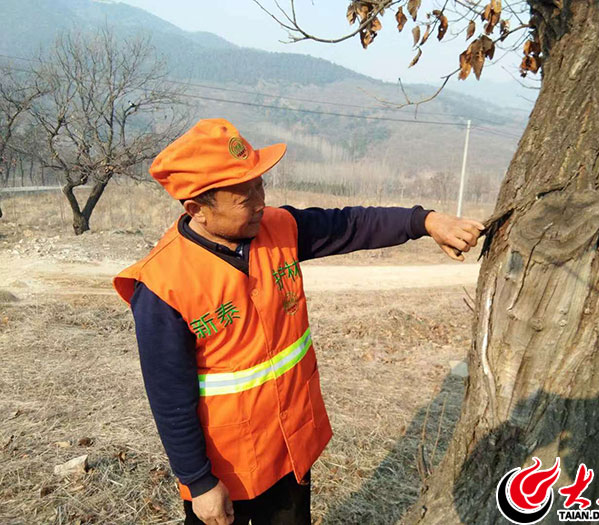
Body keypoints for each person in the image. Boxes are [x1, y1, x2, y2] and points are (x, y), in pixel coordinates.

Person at [113, 118, 484, 525]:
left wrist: (425, 221)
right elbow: (169, 398)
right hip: (227, 469)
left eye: (260, 186)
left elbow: (352, 225)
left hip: (290, 449)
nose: (259, 203)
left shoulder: (278, 228)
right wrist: (199, 482)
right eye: (243, 196)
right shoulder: (163, 286)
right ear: (197, 209)